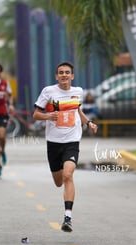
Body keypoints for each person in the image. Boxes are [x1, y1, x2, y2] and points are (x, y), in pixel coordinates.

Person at [33, 61, 98, 233]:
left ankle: (67, 217)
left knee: (68, 175)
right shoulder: (48, 91)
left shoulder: (78, 92)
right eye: (61, 72)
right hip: (53, 142)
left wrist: (89, 122)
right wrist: (48, 116)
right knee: (58, 181)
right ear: (56, 76)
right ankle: (63, 190)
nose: (64, 75)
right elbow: (35, 114)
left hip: (72, 140)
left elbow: (77, 110)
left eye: (67, 72)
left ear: (72, 76)